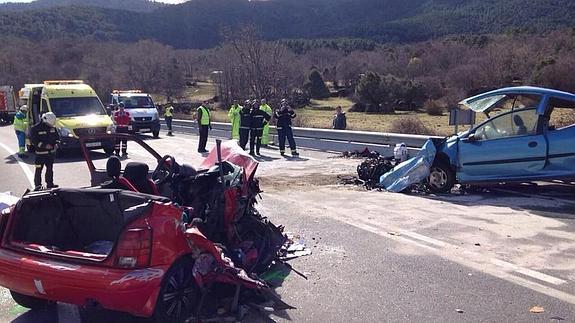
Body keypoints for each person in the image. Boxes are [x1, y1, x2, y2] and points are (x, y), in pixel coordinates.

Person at [30, 112, 60, 190]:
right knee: (38, 170)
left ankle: (50, 184)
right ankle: (38, 186)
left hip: (51, 154)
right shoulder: (35, 128)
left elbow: (57, 137)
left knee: (50, 169)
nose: (50, 126)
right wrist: (44, 145)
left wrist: (56, 143)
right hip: (40, 154)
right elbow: (34, 141)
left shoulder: (52, 127)